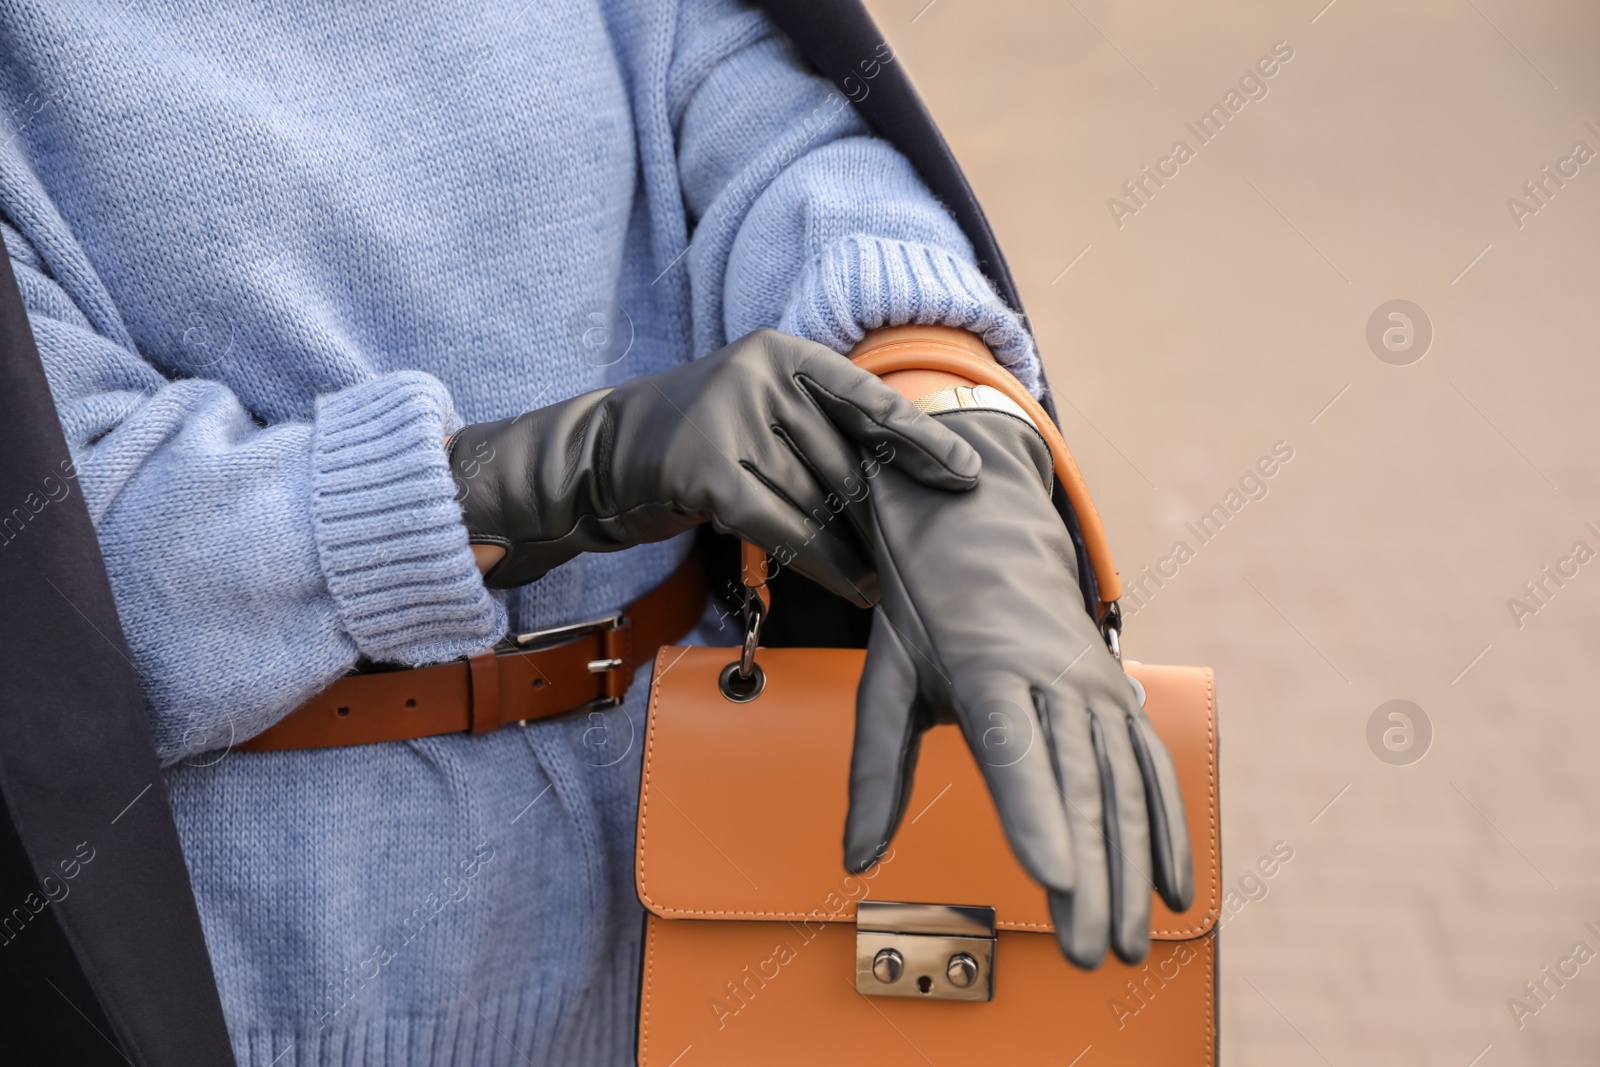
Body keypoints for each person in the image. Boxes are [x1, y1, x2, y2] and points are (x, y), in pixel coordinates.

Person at [1, 1, 1189, 1063]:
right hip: (263, 991)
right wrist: (524, 483)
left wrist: (944, 424)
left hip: (706, 924)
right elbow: (63, 560)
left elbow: (791, 154)